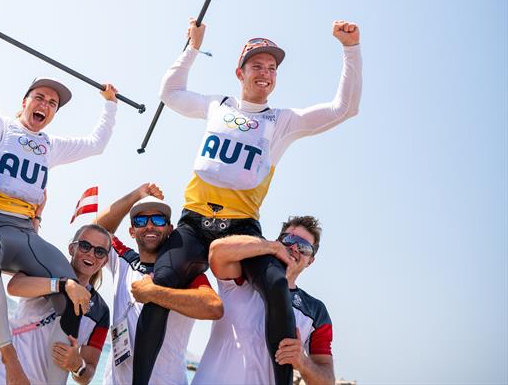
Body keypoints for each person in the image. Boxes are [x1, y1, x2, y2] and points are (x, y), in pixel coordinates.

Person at [133, 19, 361, 385]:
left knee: (275, 286)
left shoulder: (283, 121)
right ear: (240, 72)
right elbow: (171, 92)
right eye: (257, 66)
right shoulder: (217, 105)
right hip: (193, 224)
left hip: (241, 228)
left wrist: (351, 49)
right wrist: (191, 49)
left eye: (272, 68)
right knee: (161, 285)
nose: (265, 73)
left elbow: (343, 108)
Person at [0, 8, 118, 385]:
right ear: (24, 102)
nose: (44, 105)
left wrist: (109, 103)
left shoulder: (51, 146)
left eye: (52, 104)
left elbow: (97, 143)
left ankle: (52, 379)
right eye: (39, 97)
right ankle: (7, 356)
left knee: (75, 290)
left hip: (26, 232)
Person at [93, 183, 223, 385]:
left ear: (170, 229)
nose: (150, 225)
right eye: (141, 220)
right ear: (132, 231)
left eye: (159, 219)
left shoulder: (185, 272)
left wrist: (155, 293)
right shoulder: (124, 260)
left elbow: (213, 307)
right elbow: (96, 231)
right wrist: (136, 195)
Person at [194, 215, 334, 385]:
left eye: (304, 247)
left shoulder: (315, 311)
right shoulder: (242, 278)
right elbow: (216, 251)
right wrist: (270, 247)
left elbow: (327, 380)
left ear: (310, 261)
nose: (295, 247)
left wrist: (302, 362)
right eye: (289, 239)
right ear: (278, 241)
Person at [0, 224, 112, 385]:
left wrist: (78, 366)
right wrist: (63, 285)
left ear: (105, 261)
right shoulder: (46, 269)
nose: (91, 254)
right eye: (85, 246)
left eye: (99, 252)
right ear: (72, 248)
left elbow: (87, 376)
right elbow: (14, 286)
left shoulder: (100, 311)